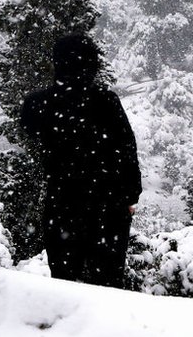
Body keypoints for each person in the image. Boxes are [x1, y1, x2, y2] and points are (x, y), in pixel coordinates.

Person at [20, 33, 141, 288]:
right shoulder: (106, 101)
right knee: (108, 287)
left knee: (64, 288)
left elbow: (31, 135)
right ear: (92, 64)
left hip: (62, 204)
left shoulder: (36, 105)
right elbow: (127, 151)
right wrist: (130, 198)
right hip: (108, 208)